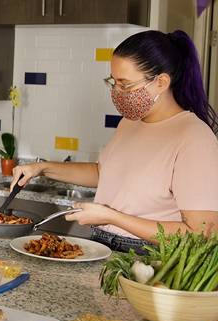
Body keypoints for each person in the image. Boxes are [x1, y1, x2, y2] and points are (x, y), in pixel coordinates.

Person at [12, 30, 218, 253]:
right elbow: (104, 174)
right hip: (102, 245)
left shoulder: (194, 138)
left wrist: (112, 217)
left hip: (149, 258)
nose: (117, 93)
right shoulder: (130, 123)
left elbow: (200, 234)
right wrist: (42, 168)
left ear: (161, 82)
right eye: (113, 82)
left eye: (125, 85)